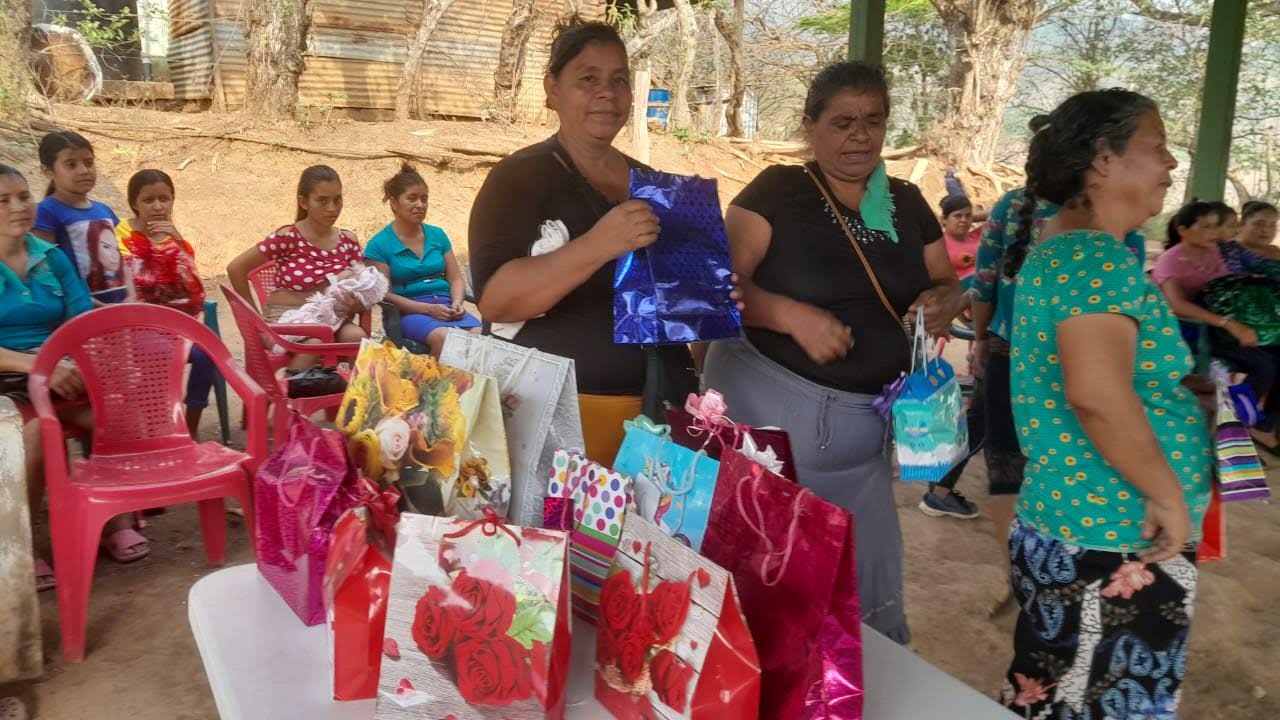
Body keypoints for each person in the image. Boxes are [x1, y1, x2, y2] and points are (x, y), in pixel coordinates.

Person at [702, 62, 964, 643]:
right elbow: (717, 286)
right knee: (780, 582)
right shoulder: (777, 191)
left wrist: (946, 298)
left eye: (873, 121)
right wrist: (787, 314)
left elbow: (946, 279)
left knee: (863, 590)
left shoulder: (904, 200)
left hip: (870, 430)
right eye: (843, 122)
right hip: (779, 419)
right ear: (810, 127)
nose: (860, 136)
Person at [1000, 89, 1209, 718]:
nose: (1171, 164)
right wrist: (1169, 494)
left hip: (1077, 528)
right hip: (1112, 540)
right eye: (1157, 146)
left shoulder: (1067, 250)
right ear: (1102, 160)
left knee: (1052, 693)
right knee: (1103, 702)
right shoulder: (1095, 260)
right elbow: (1095, 395)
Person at [469, 21, 695, 464]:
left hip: (656, 419)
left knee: (643, 535)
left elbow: (674, 304)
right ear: (552, 89)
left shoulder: (655, 186)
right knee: (565, 533)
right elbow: (496, 302)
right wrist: (600, 243)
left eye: (618, 80)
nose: (607, 93)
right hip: (555, 426)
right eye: (588, 79)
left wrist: (709, 298)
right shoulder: (519, 178)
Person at [0, 165, 149, 586]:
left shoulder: (51, 258)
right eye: (3, 200)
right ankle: (22, 544)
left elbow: (81, 319)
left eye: (24, 196)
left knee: (110, 417)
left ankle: (115, 521)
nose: (19, 207)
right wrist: (39, 366)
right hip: (10, 376)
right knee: (33, 438)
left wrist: (76, 364)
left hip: (57, 369)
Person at [1154, 200, 1280, 450]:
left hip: (1224, 331)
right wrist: (1230, 324)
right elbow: (1178, 306)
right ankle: (1236, 428)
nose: (1215, 233)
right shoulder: (1171, 259)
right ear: (1183, 230)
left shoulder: (1220, 251)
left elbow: (1253, 270)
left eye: (1216, 226)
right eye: (1207, 227)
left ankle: (1264, 427)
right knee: (1263, 365)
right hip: (1191, 332)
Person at [226, 165, 367, 369]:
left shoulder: (348, 241)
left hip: (331, 318)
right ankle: (293, 397)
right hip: (287, 318)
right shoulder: (288, 237)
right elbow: (236, 268)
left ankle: (356, 399)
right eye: (322, 201)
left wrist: (355, 305)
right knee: (313, 345)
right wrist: (255, 320)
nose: (332, 208)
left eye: (338, 200)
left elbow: (365, 287)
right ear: (304, 202)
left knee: (359, 339)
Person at [116, 169, 218, 437]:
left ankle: (190, 426)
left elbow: (193, 286)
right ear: (134, 203)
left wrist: (178, 242)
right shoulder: (122, 235)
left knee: (207, 354)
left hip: (179, 326)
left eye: (165, 199)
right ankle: (159, 425)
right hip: (139, 327)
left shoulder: (175, 237)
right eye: (148, 200)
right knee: (160, 352)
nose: (158, 207)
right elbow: (133, 283)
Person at [365, 164, 479, 356]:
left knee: (484, 338)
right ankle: (437, 385)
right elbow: (384, 294)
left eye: (424, 199)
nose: (420, 204)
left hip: (448, 307)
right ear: (393, 202)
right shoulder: (379, 245)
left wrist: (458, 302)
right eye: (412, 198)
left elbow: (456, 279)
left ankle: (474, 387)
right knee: (444, 338)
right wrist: (428, 309)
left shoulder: (437, 235)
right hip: (410, 313)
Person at [32, 131, 130, 304]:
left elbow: (119, 259)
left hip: (120, 307)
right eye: (71, 165)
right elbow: (46, 270)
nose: (84, 170)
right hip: (79, 311)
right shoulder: (46, 212)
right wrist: (86, 302)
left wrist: (131, 296)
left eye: (89, 163)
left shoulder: (104, 210)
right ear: (47, 171)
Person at [941, 194, 981, 281]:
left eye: (968, 215)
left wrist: (970, 219)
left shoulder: (978, 236)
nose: (964, 219)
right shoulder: (938, 245)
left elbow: (996, 215)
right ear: (944, 219)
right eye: (957, 216)